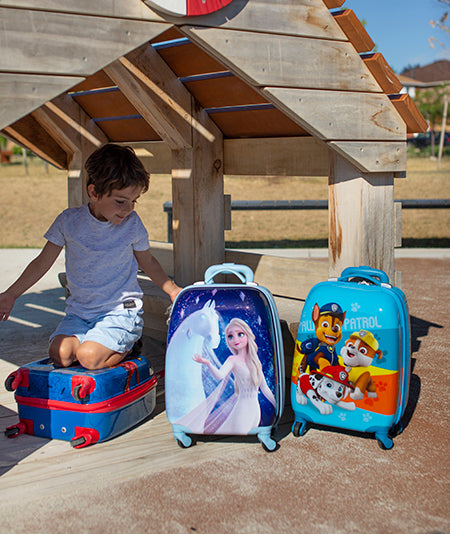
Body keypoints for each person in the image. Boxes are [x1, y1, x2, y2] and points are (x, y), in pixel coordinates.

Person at [0, 144, 181, 370]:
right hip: (80, 314)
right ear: (94, 193)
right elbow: (42, 262)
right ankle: (100, 343)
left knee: (88, 357)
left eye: (133, 201)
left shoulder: (132, 225)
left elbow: (148, 261)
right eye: (120, 201)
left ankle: (129, 344)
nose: (128, 209)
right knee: (60, 354)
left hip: (119, 312)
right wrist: (11, 294)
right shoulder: (68, 221)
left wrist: (173, 290)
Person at [178, 317, 276, 435]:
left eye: (240, 334)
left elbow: (264, 388)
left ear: (248, 335)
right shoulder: (232, 360)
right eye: (230, 336)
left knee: (249, 430)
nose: (235, 339)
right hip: (243, 407)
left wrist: (276, 405)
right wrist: (208, 363)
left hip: (255, 408)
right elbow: (219, 375)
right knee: (241, 431)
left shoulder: (255, 361)